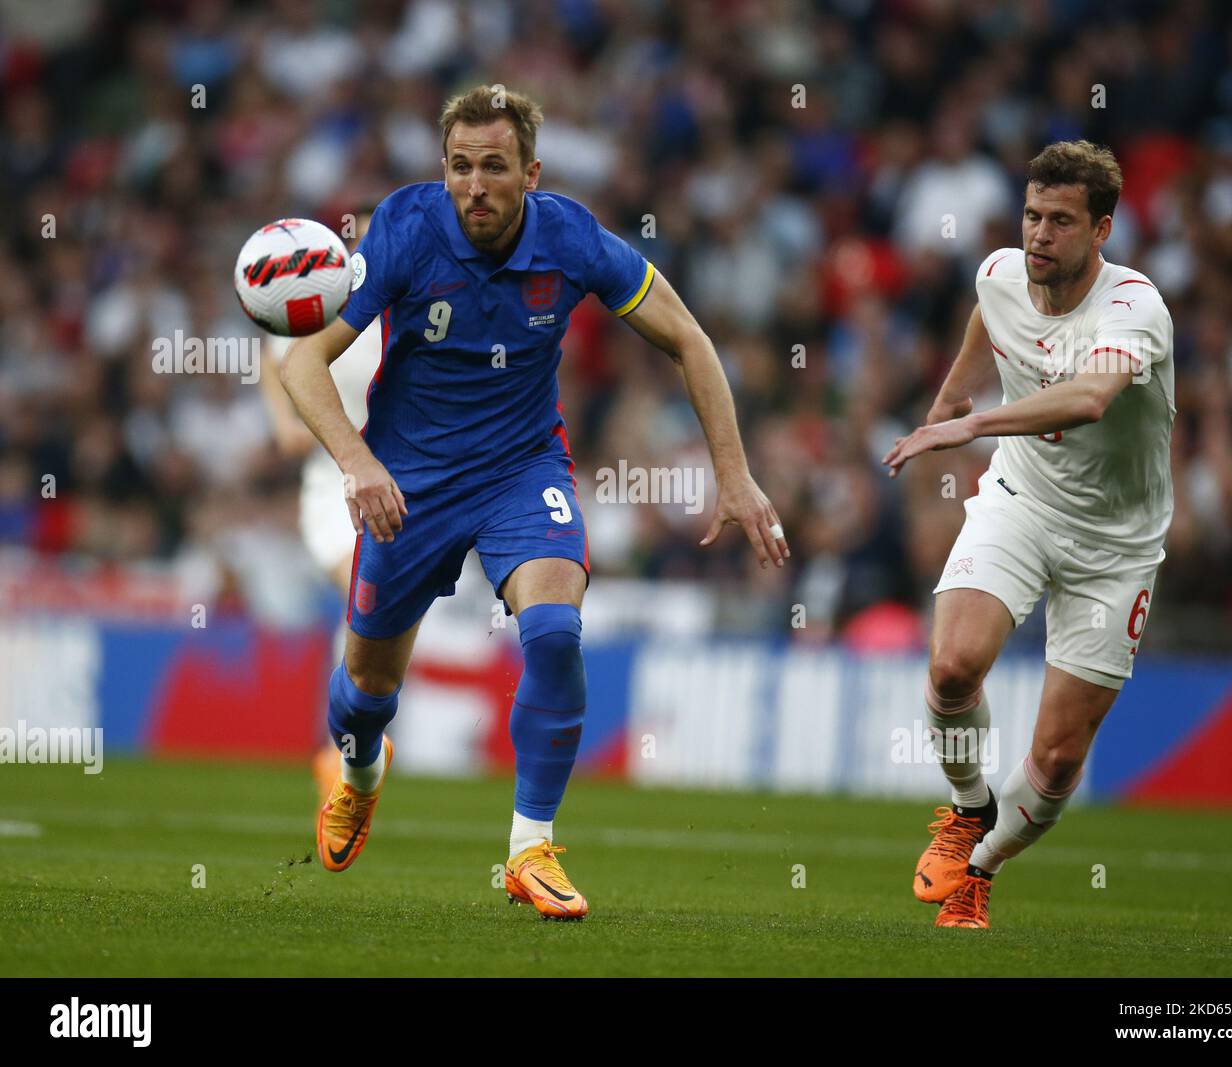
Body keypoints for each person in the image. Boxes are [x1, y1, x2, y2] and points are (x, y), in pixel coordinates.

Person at [280, 86, 789, 920]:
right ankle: (361, 772)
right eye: (459, 167)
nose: (474, 185)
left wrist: (734, 475)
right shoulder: (405, 229)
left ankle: (530, 847)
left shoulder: (571, 237)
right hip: (408, 484)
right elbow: (306, 363)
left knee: (554, 631)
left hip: (523, 470)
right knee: (367, 687)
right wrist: (358, 463)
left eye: (493, 167)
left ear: (531, 173)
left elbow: (689, 339)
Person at [883, 140, 1174, 929]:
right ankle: (967, 810)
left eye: (1061, 221)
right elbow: (989, 324)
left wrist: (970, 424)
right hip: (1021, 499)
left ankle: (982, 869)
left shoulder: (1133, 308)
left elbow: (1087, 399)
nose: (1039, 234)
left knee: (1056, 758)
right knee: (951, 667)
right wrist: (944, 408)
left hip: (1115, 547)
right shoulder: (1001, 274)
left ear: (1101, 229)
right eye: (1032, 215)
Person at [257, 209, 382, 808]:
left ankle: (348, 742)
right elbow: (283, 414)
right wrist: (316, 426)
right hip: (331, 490)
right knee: (361, 587)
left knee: (375, 609)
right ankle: (343, 748)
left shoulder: (409, 309)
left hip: (403, 487)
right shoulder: (305, 319)